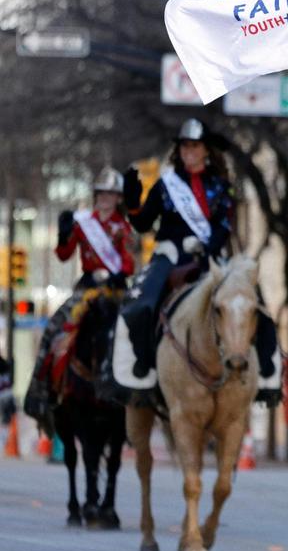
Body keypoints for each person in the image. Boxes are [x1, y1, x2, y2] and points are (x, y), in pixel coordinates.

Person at [116, 118, 279, 402]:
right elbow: (142, 224)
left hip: (211, 258)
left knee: (255, 306)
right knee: (141, 303)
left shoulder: (221, 185)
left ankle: (267, 375)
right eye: (184, 146)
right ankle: (144, 372)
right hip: (169, 255)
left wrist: (205, 247)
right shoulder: (165, 185)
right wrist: (132, 202)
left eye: (194, 146)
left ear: (205, 150)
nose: (189, 151)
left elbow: (224, 226)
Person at [26, 167, 134, 420]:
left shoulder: (124, 228)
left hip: (114, 288)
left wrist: (120, 272)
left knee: (137, 328)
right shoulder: (85, 223)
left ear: (118, 198)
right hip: (87, 287)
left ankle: (140, 393)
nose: (105, 198)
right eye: (101, 193)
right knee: (55, 325)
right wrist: (64, 234)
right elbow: (64, 255)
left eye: (110, 194)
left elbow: (129, 263)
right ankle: (43, 392)